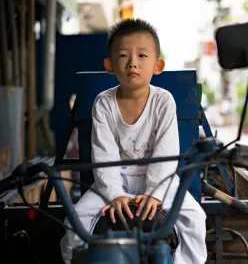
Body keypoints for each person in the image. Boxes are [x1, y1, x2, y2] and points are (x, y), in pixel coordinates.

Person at [60, 19, 207, 264]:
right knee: (74, 222)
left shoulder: (164, 101)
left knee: (195, 220)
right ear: (110, 65)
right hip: (114, 181)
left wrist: (155, 194)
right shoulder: (103, 103)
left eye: (142, 55)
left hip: (161, 180)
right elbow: (103, 156)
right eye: (123, 55)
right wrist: (115, 194)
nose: (132, 63)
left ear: (157, 65)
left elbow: (167, 154)